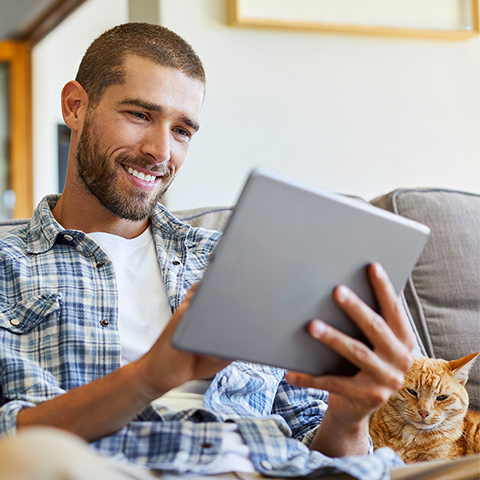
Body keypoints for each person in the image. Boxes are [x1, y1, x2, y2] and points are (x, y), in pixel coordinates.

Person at [0, 23, 415, 479]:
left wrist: (348, 415)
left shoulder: (237, 261)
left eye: (182, 130)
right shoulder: (8, 264)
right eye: (139, 115)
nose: (161, 151)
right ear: (75, 106)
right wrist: (149, 376)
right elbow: (13, 446)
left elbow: (321, 447)